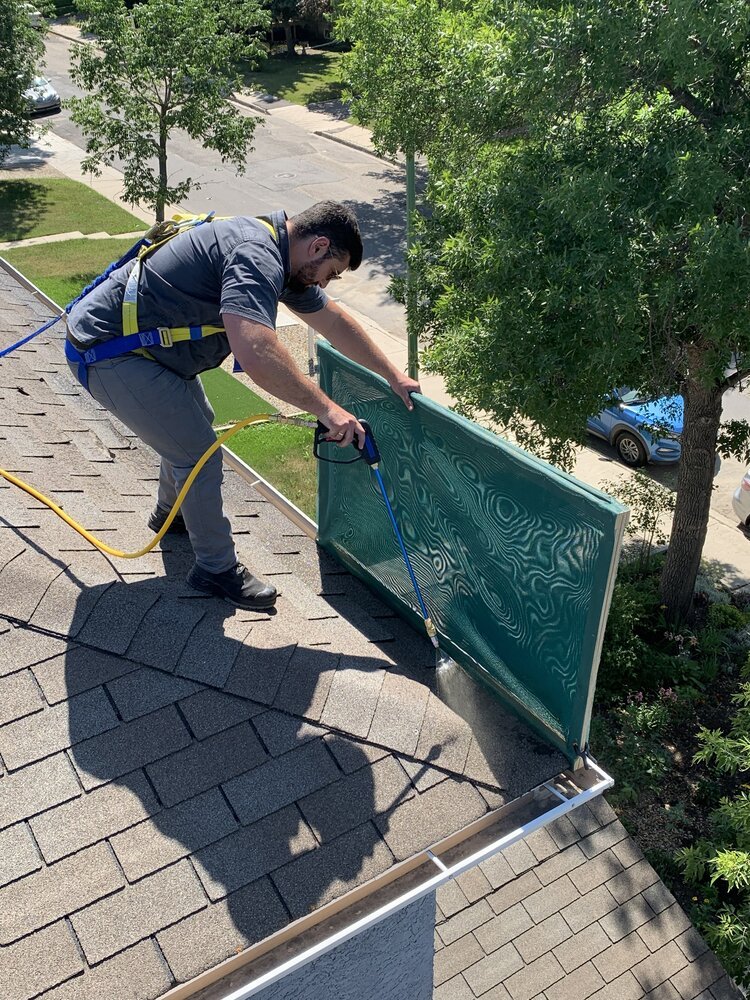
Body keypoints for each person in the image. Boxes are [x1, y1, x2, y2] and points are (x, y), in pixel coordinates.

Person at [65, 201, 421, 610]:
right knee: (197, 453)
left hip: (145, 353)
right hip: (110, 353)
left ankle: (172, 514)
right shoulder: (255, 256)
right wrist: (327, 409)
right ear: (318, 247)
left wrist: (393, 375)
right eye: (332, 272)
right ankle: (214, 569)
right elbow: (257, 352)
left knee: (197, 425)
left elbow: (335, 322)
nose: (327, 283)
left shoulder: (281, 253)